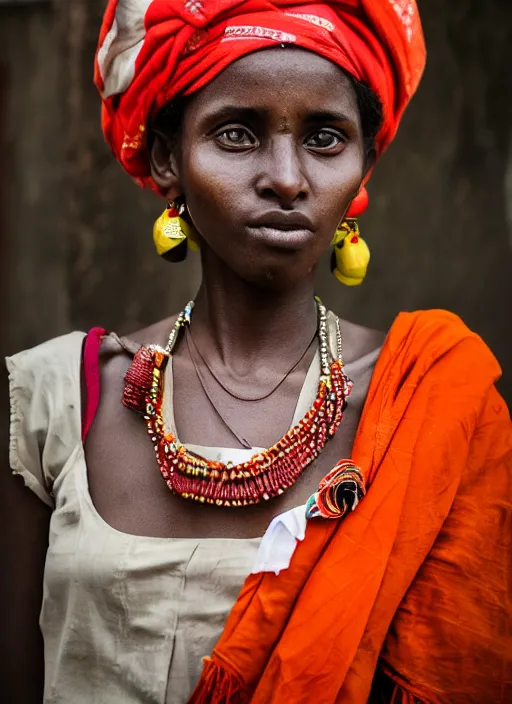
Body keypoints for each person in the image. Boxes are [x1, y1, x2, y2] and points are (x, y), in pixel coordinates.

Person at [1, 1, 511, 702]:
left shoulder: (426, 405)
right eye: (236, 134)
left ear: (364, 168)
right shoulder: (53, 399)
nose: (286, 177)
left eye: (326, 138)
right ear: (166, 157)